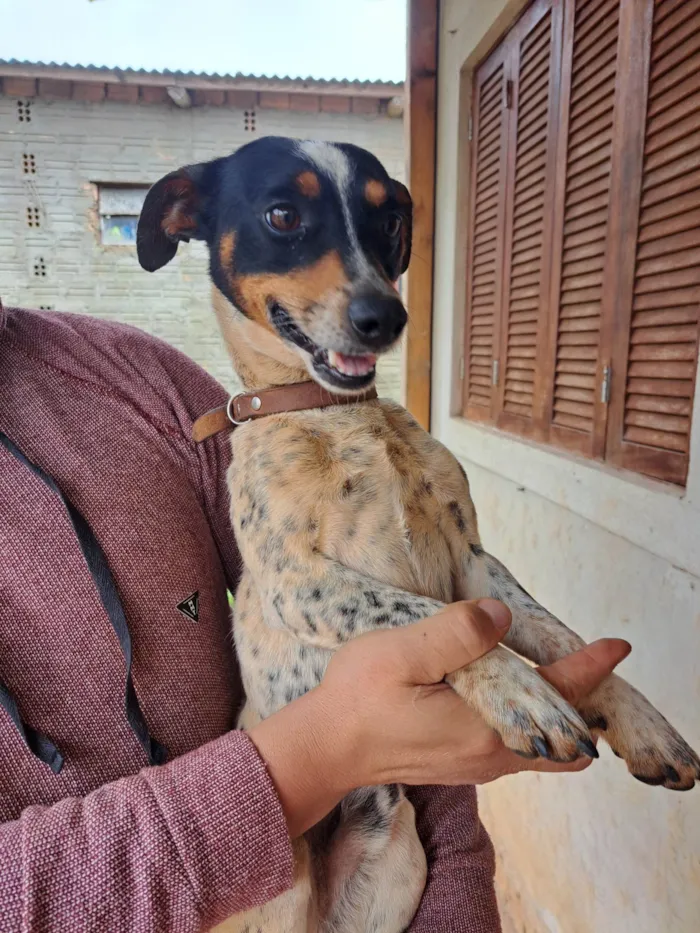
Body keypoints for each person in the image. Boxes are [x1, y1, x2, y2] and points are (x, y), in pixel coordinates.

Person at [0, 303, 631, 933]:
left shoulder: (139, 380)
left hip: (380, 849)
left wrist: (456, 896)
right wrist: (321, 756)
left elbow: (400, 649)